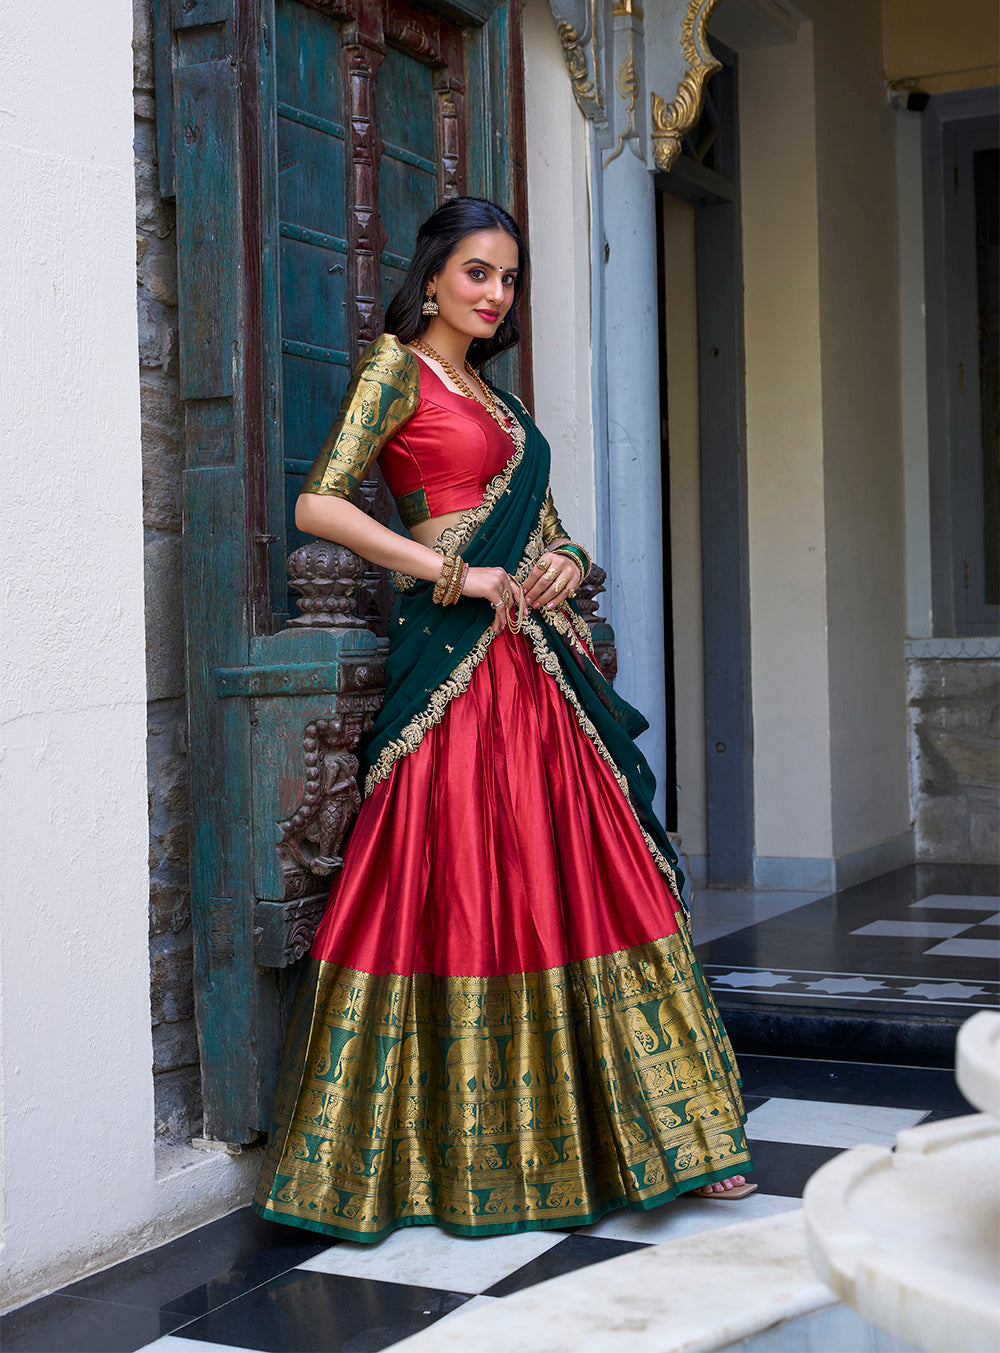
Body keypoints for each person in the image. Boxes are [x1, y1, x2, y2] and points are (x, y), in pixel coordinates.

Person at [253, 197, 754, 1243]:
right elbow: (321, 503)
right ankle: (475, 1159)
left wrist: (568, 558)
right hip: (457, 668)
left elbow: (550, 529)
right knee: (474, 881)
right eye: (477, 272)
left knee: (589, 875)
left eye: (509, 278)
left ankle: (671, 1136)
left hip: (537, 661)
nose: (494, 293)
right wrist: (452, 571)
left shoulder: (499, 399)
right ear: (432, 276)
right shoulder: (396, 370)